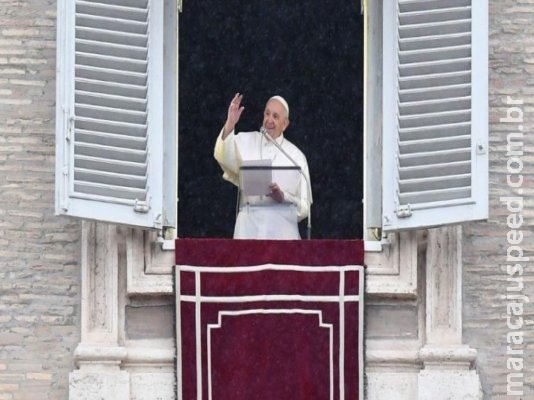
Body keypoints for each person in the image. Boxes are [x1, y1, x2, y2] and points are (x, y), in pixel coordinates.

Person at [214, 93, 312, 239]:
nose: (269, 120)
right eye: (267, 114)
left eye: (275, 116)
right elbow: (224, 157)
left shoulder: (296, 156)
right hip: (248, 229)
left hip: (283, 233)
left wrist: (283, 197)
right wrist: (230, 124)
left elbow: (305, 207)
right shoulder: (246, 140)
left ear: (285, 124)